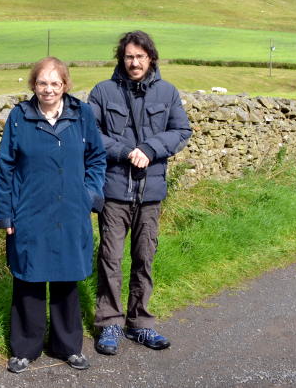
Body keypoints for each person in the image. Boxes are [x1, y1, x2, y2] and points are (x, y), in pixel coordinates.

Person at [0, 56, 107, 374]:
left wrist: (90, 196)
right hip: (29, 212)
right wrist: (6, 216)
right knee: (28, 279)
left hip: (72, 210)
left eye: (55, 83)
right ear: (33, 85)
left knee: (66, 278)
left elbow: (97, 157)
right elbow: (5, 169)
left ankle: (68, 346)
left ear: (65, 85)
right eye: (42, 82)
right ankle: (25, 349)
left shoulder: (82, 114)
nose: (48, 89)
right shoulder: (19, 117)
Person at [89, 31, 192, 355]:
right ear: (122, 58)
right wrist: (123, 152)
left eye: (140, 56)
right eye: (129, 56)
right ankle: (109, 323)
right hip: (115, 190)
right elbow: (90, 134)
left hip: (150, 193)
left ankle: (141, 324)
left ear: (151, 59)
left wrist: (149, 148)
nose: (134, 62)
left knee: (144, 258)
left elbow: (181, 130)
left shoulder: (167, 92)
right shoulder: (103, 92)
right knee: (111, 258)